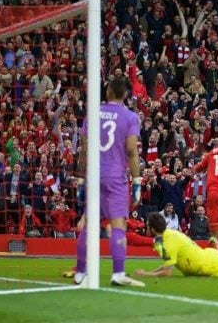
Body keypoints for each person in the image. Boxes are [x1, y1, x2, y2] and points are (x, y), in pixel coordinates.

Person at [73, 76, 145, 287]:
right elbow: (132, 150)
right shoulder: (130, 117)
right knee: (118, 224)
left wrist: (80, 178)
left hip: (93, 174)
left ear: (108, 92)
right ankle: (118, 273)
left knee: (89, 224)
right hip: (115, 176)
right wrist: (137, 180)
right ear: (125, 95)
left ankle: (80, 273)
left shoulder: (92, 113)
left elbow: (84, 149)